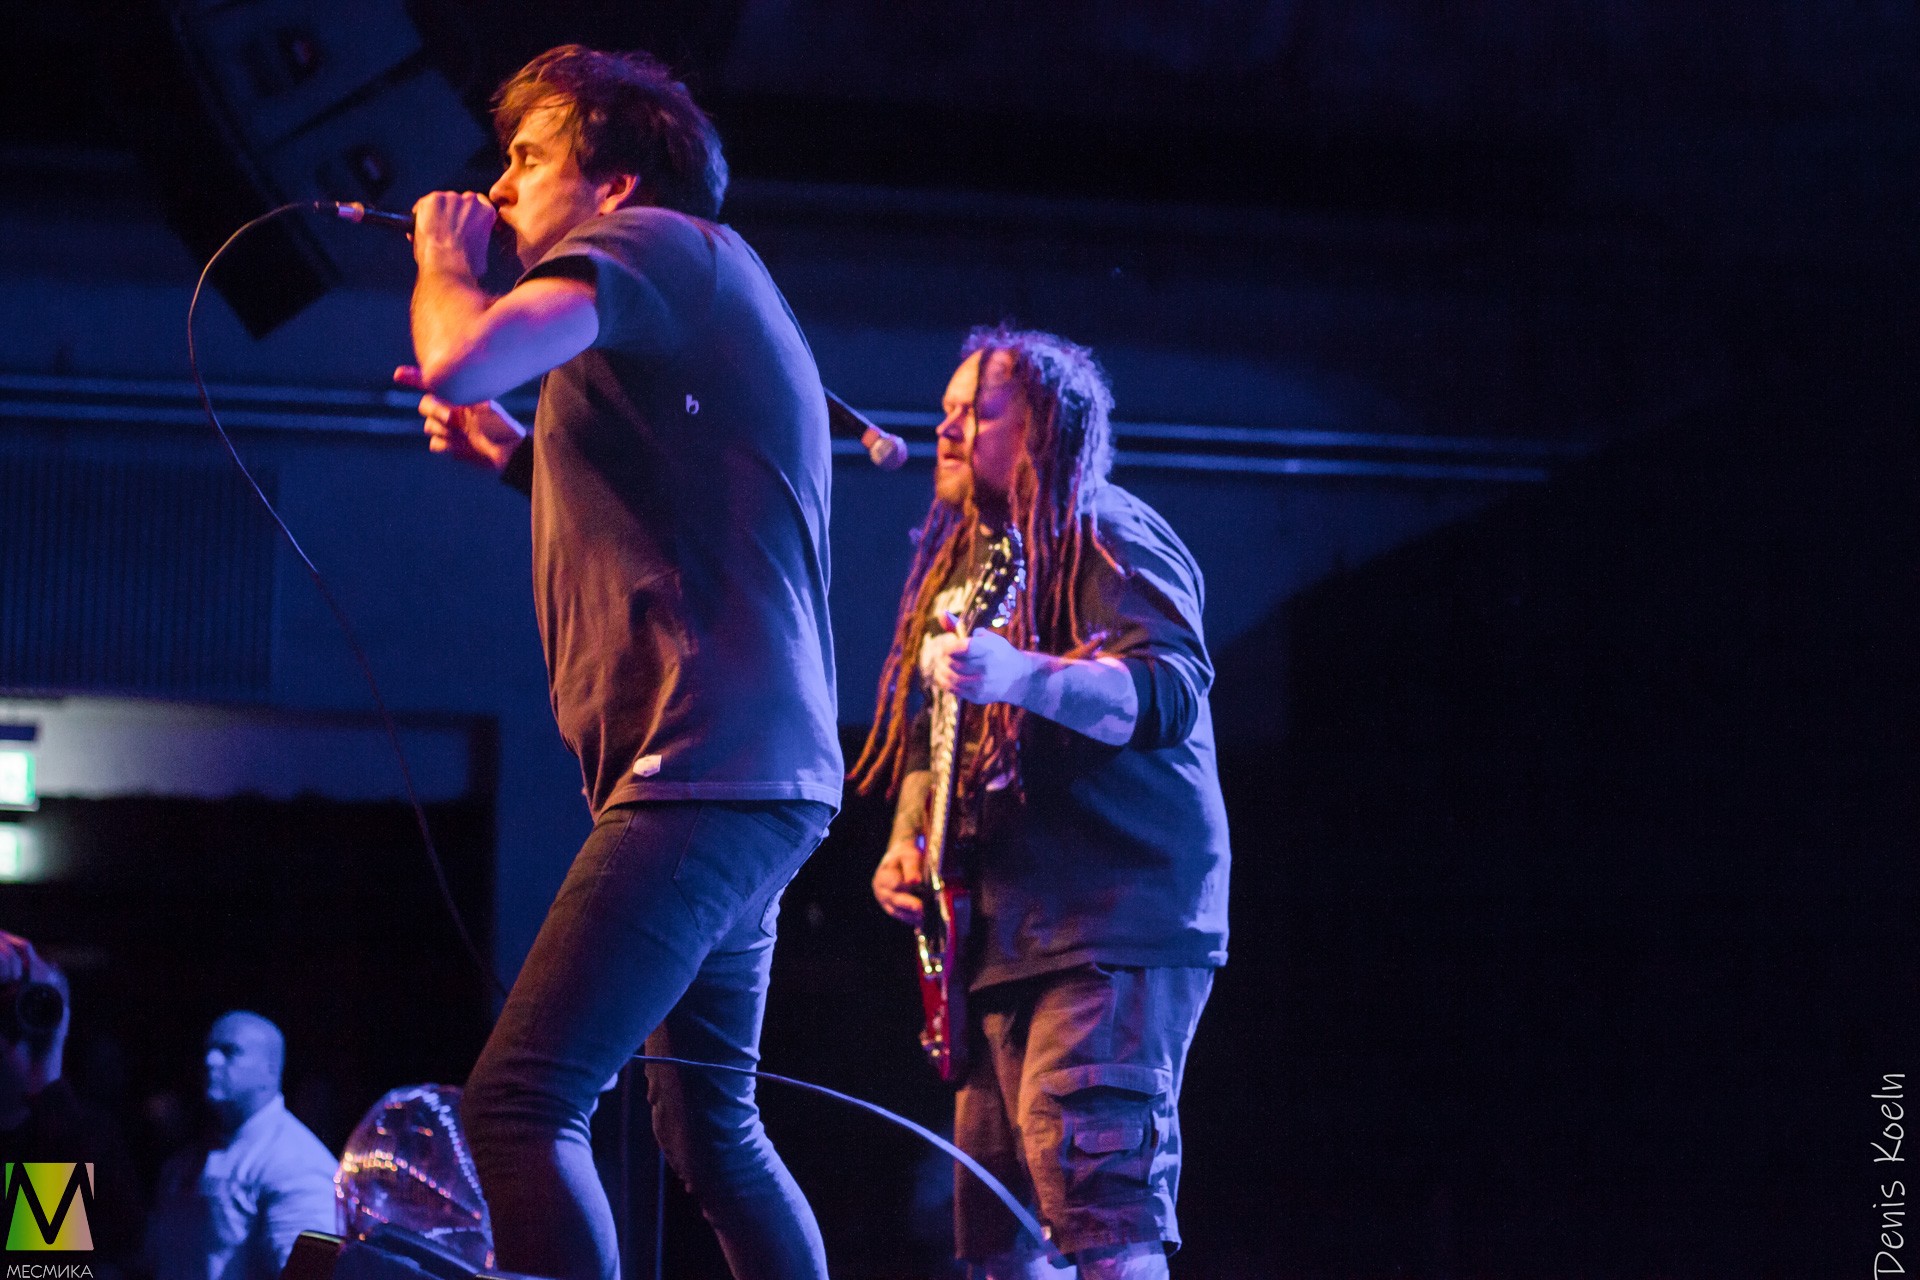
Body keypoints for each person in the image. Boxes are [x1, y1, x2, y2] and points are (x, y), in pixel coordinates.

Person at [400, 45, 840, 1280]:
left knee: (518, 1104)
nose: (495, 191)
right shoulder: (672, 293)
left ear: (616, 179)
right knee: (713, 1126)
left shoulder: (658, 244)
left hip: (705, 764)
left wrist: (444, 267)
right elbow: (684, 502)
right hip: (748, 768)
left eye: (527, 158)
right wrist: (508, 456)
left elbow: (457, 354)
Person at [853, 328, 1231, 1280]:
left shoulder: (1103, 528)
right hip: (1004, 945)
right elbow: (933, 746)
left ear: (1043, 428)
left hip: (1109, 927)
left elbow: (1167, 693)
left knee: (1101, 1224)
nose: (943, 428)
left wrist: (1022, 676)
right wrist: (910, 842)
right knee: (998, 1248)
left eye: (975, 410)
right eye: (944, 409)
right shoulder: (968, 570)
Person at [146, 1011, 337, 1279]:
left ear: (269, 1069)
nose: (210, 1061)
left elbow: (311, 1275)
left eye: (229, 1051)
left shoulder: (297, 1164)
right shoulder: (190, 1158)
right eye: (209, 1050)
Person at [0, 930, 142, 1266]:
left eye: (39, 1006)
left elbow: (44, 1267)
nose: (18, 1034)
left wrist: (45, 1083)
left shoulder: (73, 1138)